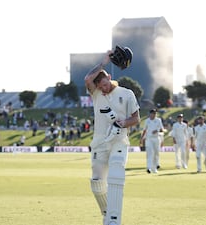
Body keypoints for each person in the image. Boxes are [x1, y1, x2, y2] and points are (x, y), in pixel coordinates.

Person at [84, 50, 140, 225]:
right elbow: (87, 79)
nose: (103, 89)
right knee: (96, 184)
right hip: (99, 144)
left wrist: (122, 123)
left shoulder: (127, 93)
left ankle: (114, 220)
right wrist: (104, 61)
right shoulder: (96, 94)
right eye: (100, 87)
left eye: (104, 84)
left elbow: (136, 119)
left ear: (109, 78)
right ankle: (108, 214)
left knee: (116, 175)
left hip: (119, 141)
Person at [140, 109, 164, 173]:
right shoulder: (147, 121)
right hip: (149, 139)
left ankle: (155, 167)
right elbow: (144, 130)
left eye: (155, 113)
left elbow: (162, 129)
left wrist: (157, 130)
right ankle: (149, 167)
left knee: (156, 153)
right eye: (153, 113)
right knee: (149, 153)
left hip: (156, 138)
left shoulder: (158, 120)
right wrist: (141, 139)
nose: (154, 115)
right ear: (150, 114)